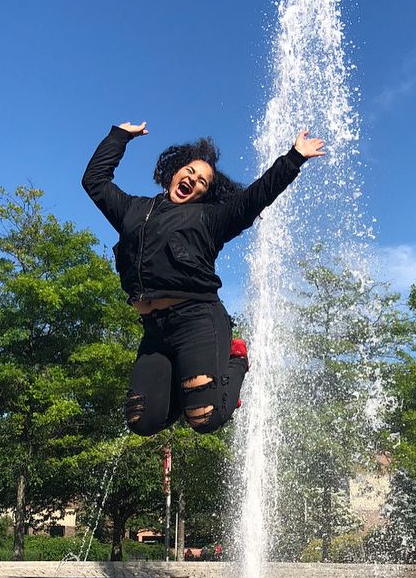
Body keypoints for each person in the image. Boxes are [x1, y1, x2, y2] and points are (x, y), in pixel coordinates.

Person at [82, 120, 325, 436]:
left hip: (197, 320)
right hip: (154, 329)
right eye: (190, 172)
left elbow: (255, 197)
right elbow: (94, 181)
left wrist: (293, 158)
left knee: (205, 418)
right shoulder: (133, 210)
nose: (193, 180)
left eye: (203, 182)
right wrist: (119, 136)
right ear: (174, 173)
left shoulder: (211, 220)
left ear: (205, 193)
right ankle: (193, 388)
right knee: (142, 421)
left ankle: (236, 361)